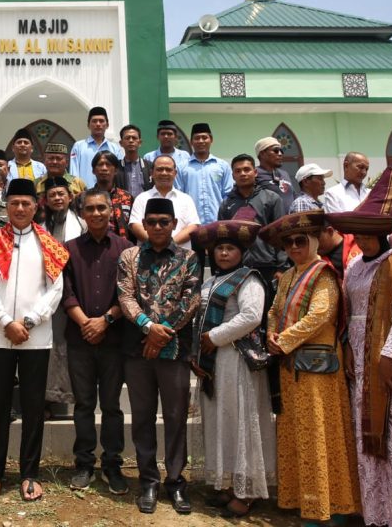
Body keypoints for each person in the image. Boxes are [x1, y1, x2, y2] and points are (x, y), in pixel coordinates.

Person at [325, 167, 392, 527]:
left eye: (370, 232)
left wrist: (388, 357)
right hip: (360, 354)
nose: (363, 238)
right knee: (366, 433)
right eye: (358, 232)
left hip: (390, 361)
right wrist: (351, 350)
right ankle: (377, 512)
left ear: (385, 232)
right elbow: (350, 311)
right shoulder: (354, 266)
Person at [263, 210, 361, 524]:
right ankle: (305, 500)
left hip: (318, 370)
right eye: (288, 243)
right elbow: (274, 310)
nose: (293, 247)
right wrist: (269, 335)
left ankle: (332, 507)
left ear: (314, 241)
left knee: (321, 434)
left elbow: (321, 314)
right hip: (291, 369)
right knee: (298, 434)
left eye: (299, 241)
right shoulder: (289, 275)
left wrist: (284, 340)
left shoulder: (323, 273)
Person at [0, 179, 67, 504]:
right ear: (6, 205)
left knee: (32, 408)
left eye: (25, 203)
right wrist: (5, 321)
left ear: (35, 206)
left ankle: (30, 474)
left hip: (36, 337)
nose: (19, 208)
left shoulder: (50, 245)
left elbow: (55, 291)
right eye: (13, 203)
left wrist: (28, 321)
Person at [190, 209, 276, 518]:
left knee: (241, 420)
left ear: (241, 252)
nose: (224, 253)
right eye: (219, 248)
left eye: (230, 248)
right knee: (221, 421)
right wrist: (198, 353)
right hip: (213, 363)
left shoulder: (249, 279)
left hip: (237, 361)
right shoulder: (210, 281)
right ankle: (227, 483)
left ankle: (248, 490)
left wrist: (215, 337)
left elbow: (251, 317)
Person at [117, 197, 201, 515]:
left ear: (174, 224)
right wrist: (147, 326)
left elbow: (190, 299)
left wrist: (161, 332)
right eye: (150, 221)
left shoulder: (189, 257)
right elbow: (125, 295)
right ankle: (149, 481)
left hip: (175, 350)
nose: (156, 227)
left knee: (176, 418)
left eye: (163, 222)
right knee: (142, 418)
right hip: (137, 350)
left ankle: (177, 482)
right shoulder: (130, 256)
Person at [61, 189, 131, 494]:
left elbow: (130, 293)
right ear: (82, 214)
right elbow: (65, 292)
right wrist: (85, 323)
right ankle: (84, 464)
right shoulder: (69, 249)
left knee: (112, 406)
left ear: (110, 211)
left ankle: (113, 465)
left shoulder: (127, 249)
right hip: (79, 339)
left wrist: (106, 320)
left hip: (115, 339)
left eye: (102, 207)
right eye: (90, 208)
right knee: (84, 404)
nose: (97, 213)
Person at [43, 176, 85, 418]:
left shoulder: (81, 224)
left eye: (61, 194)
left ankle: (72, 397)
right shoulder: (39, 225)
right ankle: (48, 399)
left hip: (74, 293)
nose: (57, 198)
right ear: (46, 200)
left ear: (70, 197)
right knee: (50, 347)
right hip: (46, 293)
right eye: (52, 195)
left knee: (70, 347)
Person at [218, 154, 287, 290]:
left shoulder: (272, 199)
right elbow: (221, 239)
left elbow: (282, 234)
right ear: (233, 175)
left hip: (268, 267)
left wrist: (282, 268)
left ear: (255, 172)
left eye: (246, 169)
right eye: (238, 171)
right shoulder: (226, 204)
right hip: (236, 268)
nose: (242, 174)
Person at [129, 155, 199, 250]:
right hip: (148, 257)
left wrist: (170, 244)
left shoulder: (186, 199)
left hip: (180, 258)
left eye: (168, 170)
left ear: (175, 173)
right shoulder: (141, 198)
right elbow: (135, 225)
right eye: (160, 169)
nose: (164, 173)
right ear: (152, 173)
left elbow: (194, 226)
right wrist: (156, 245)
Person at [180, 122, 233, 223]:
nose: (201, 141)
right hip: (191, 223)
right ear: (191, 142)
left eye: (204, 137)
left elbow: (228, 194)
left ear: (211, 140)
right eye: (197, 138)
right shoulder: (182, 167)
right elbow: (179, 196)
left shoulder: (222, 166)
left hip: (218, 222)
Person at [69, 106, 123, 188]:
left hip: (109, 195)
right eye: (94, 121)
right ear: (88, 125)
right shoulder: (78, 146)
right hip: (85, 195)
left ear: (107, 125)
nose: (98, 124)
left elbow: (119, 173)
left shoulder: (115, 148)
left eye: (101, 121)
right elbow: (73, 173)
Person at [91, 150, 133, 237]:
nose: (104, 168)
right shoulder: (85, 197)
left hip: (123, 248)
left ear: (116, 170)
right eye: (100, 164)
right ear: (93, 171)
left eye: (108, 164)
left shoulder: (127, 197)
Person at [142, 120, 190, 188]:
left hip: (179, 196)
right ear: (158, 137)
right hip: (157, 196)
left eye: (169, 134)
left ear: (176, 137)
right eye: (163, 134)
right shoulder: (149, 157)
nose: (166, 136)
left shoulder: (185, 156)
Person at [254, 136, 295, 209]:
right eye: (275, 150)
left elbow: (293, 195)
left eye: (281, 151)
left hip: (290, 220)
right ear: (262, 154)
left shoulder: (284, 174)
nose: (280, 154)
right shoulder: (254, 173)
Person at [117, 124, 152, 198]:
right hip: (123, 207)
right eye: (127, 138)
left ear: (140, 143)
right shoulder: (116, 167)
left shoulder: (150, 166)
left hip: (144, 207)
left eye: (134, 138)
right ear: (121, 143)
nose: (131, 140)